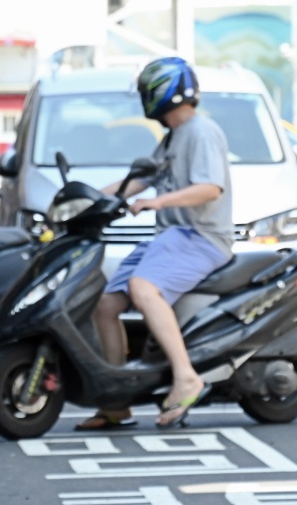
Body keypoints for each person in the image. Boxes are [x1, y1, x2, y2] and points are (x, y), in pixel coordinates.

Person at [81, 57, 232, 430]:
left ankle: (186, 376)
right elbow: (138, 181)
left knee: (142, 287)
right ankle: (116, 401)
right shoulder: (172, 137)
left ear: (163, 92)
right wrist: (85, 201)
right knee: (105, 304)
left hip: (201, 236)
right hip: (171, 237)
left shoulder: (201, 131)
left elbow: (210, 188)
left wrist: (158, 202)